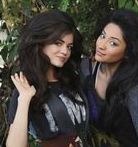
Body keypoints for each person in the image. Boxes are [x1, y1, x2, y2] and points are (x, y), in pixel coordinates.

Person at [6, 10, 89, 147]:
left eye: (69, 46)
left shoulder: (74, 79)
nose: (65, 52)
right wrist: (25, 99)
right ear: (41, 42)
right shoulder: (26, 89)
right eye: (58, 43)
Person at [81, 9, 138, 147]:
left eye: (113, 43)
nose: (101, 45)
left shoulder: (136, 89)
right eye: (103, 35)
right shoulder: (87, 69)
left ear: (128, 53)